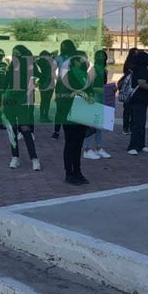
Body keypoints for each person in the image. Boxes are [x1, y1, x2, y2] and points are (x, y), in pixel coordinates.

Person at [3, 44, 41, 171]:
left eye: (17, 53)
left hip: (23, 100)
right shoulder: (12, 66)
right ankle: (15, 157)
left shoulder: (30, 65)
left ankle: (34, 159)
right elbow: (5, 83)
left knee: (25, 129)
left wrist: (28, 94)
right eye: (13, 53)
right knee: (12, 130)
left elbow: (37, 79)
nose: (15, 56)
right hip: (10, 101)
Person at [61, 51, 92, 185]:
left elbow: (90, 92)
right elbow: (62, 95)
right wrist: (77, 93)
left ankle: (78, 171)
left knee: (79, 144)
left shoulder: (85, 76)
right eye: (82, 59)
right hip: (69, 114)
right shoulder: (68, 76)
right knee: (70, 144)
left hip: (82, 114)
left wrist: (90, 97)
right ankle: (69, 173)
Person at [82, 49, 111, 160]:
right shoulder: (93, 70)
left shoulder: (104, 70)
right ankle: (87, 149)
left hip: (101, 100)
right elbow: (87, 86)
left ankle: (98, 147)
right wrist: (100, 90)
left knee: (99, 126)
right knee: (91, 126)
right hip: (93, 100)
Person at [51, 39, 77, 140]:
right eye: (62, 46)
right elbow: (52, 69)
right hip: (61, 86)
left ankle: (69, 131)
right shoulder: (59, 58)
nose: (63, 47)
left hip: (72, 85)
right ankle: (56, 131)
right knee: (60, 109)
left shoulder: (75, 57)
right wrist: (55, 78)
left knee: (70, 108)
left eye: (65, 45)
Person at [118, 47, 139, 135]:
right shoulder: (130, 64)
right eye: (135, 53)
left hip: (132, 87)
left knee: (130, 109)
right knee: (127, 109)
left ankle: (129, 127)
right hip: (128, 87)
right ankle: (126, 127)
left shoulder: (130, 63)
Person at [35, 50, 54, 124]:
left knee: (44, 101)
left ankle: (43, 116)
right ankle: (45, 116)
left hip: (44, 83)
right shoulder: (46, 63)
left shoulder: (40, 62)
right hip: (48, 82)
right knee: (46, 101)